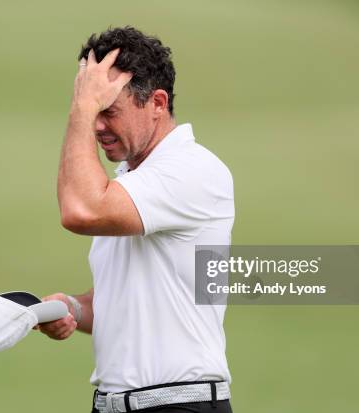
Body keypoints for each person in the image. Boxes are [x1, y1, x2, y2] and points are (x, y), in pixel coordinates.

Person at [35, 26, 235, 413]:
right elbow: (128, 301)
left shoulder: (192, 170)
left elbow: (80, 210)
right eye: (92, 109)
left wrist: (80, 108)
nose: (95, 126)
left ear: (157, 102)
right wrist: (74, 309)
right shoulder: (130, 182)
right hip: (116, 404)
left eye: (107, 110)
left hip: (178, 403)